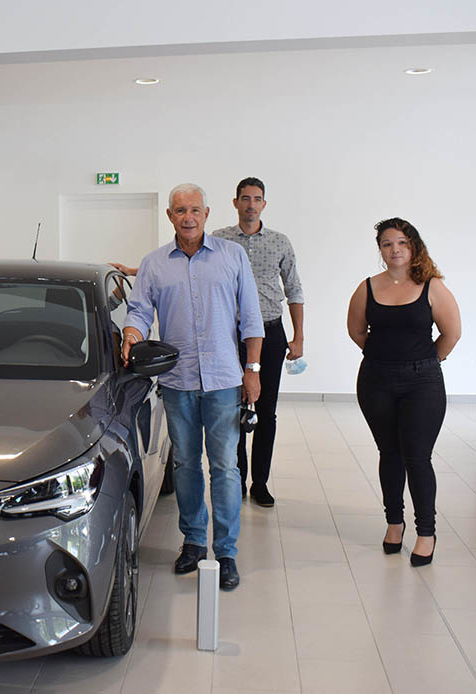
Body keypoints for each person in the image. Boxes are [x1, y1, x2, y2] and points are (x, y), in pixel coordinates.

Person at [122, 183, 264, 590]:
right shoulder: (154, 264)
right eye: (180, 210)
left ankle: (227, 551)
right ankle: (194, 541)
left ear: (206, 214)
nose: (188, 217)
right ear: (170, 216)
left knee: (225, 467)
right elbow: (139, 310)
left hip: (223, 379)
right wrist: (131, 334)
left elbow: (251, 317)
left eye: (195, 210)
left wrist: (252, 369)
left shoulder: (232, 256)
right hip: (177, 381)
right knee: (185, 464)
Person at [346, 217, 460, 566]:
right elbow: (356, 331)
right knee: (389, 453)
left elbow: (451, 333)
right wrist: (385, 357)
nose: (394, 250)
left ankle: (426, 532)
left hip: (422, 383)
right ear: (380, 250)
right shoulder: (368, 287)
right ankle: (394, 523)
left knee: (417, 457)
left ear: (413, 247)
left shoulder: (432, 287)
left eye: (401, 243)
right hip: (376, 380)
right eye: (387, 244)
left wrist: (426, 361)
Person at [212, 177, 304, 507]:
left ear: (264, 204)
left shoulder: (280, 242)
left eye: (257, 199)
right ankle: (236, 478)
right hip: (230, 335)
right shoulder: (219, 240)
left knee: (266, 410)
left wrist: (299, 337)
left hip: (271, 333)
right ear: (235, 202)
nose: (251, 204)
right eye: (245, 198)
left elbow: (294, 290)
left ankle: (260, 482)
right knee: (231, 410)